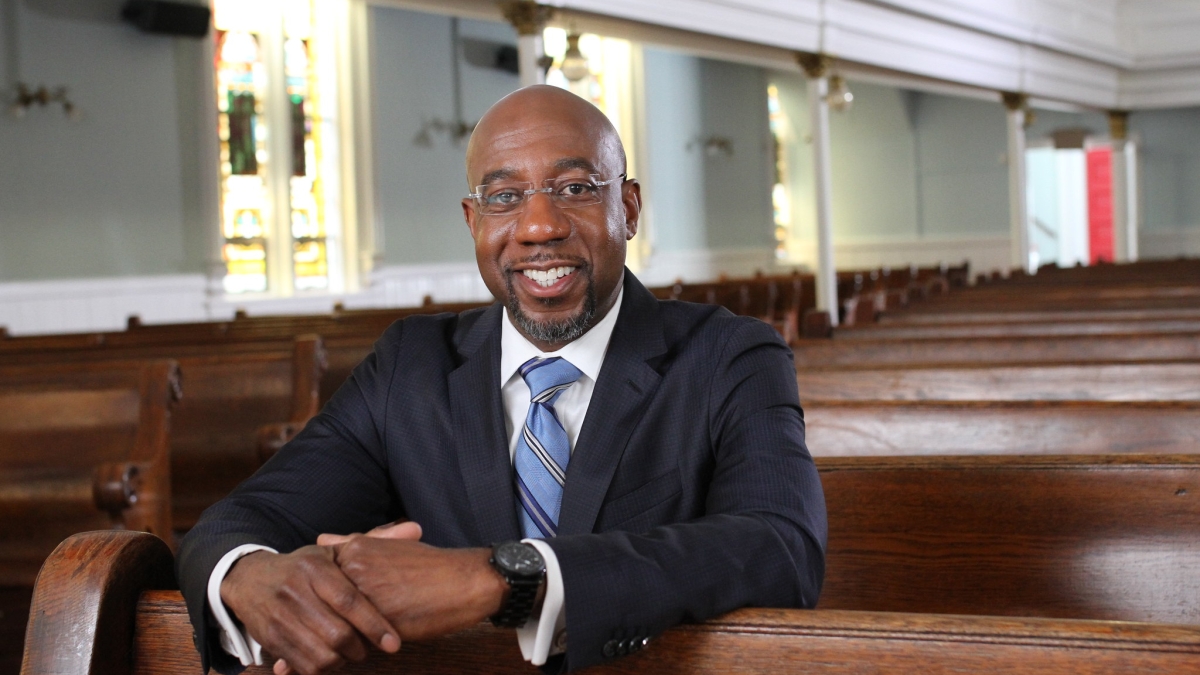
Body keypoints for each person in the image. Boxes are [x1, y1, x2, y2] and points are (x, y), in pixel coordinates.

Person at [177, 85, 827, 675]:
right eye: (505, 197)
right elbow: (244, 517)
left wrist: (503, 577)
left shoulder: (729, 355)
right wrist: (254, 576)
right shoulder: (412, 363)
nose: (539, 226)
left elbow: (781, 547)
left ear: (627, 207)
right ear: (473, 221)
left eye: (574, 188)